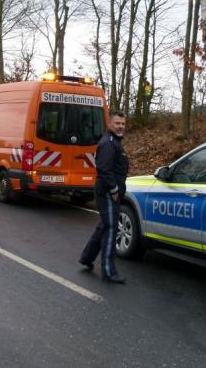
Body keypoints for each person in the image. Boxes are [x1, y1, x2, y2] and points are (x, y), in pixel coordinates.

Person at [79, 110, 129, 284]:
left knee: (104, 226)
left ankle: (86, 257)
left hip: (108, 191)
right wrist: (114, 190)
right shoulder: (108, 143)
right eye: (117, 123)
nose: (120, 126)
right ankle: (108, 271)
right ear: (110, 124)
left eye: (123, 123)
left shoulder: (114, 141)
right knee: (110, 229)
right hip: (108, 193)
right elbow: (104, 169)